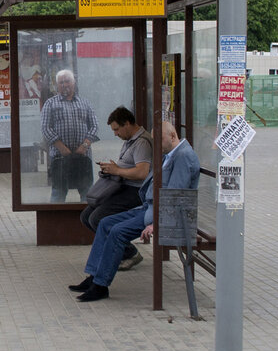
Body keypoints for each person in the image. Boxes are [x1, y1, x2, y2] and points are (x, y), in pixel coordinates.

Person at [69, 121, 200, 302]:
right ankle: (93, 276)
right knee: (106, 222)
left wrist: (155, 223)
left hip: (163, 216)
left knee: (117, 231)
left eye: (160, 140)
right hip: (148, 207)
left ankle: (100, 285)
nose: (157, 145)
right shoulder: (170, 153)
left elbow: (175, 196)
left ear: (172, 135)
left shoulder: (183, 156)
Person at [79, 107, 153, 270]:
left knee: (97, 218)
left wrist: (117, 170)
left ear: (127, 124)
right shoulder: (130, 141)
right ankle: (121, 250)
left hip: (136, 191)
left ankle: (128, 252)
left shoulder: (142, 142)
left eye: (117, 129)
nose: (115, 134)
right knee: (86, 216)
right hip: (123, 186)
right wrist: (113, 168)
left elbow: (142, 172)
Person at [41, 69, 99, 203]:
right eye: (61, 82)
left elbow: (95, 126)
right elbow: (45, 128)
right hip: (59, 158)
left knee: (87, 193)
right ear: (57, 85)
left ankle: (87, 221)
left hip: (83, 156)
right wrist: (62, 148)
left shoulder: (85, 103)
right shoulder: (50, 104)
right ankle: (55, 222)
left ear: (74, 83)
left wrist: (84, 146)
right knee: (58, 194)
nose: (64, 85)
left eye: (67, 81)